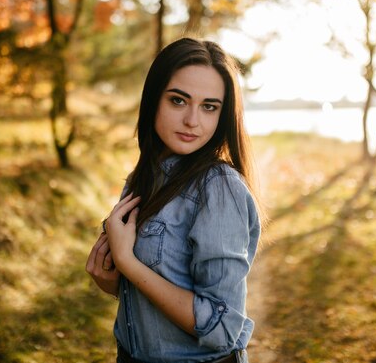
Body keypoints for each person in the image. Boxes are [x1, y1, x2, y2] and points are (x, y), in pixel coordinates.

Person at [85, 37, 262, 363]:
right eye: (179, 101)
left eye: (209, 106)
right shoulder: (145, 177)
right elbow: (156, 292)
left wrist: (128, 264)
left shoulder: (219, 189)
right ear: (153, 100)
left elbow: (222, 327)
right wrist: (113, 282)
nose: (193, 120)